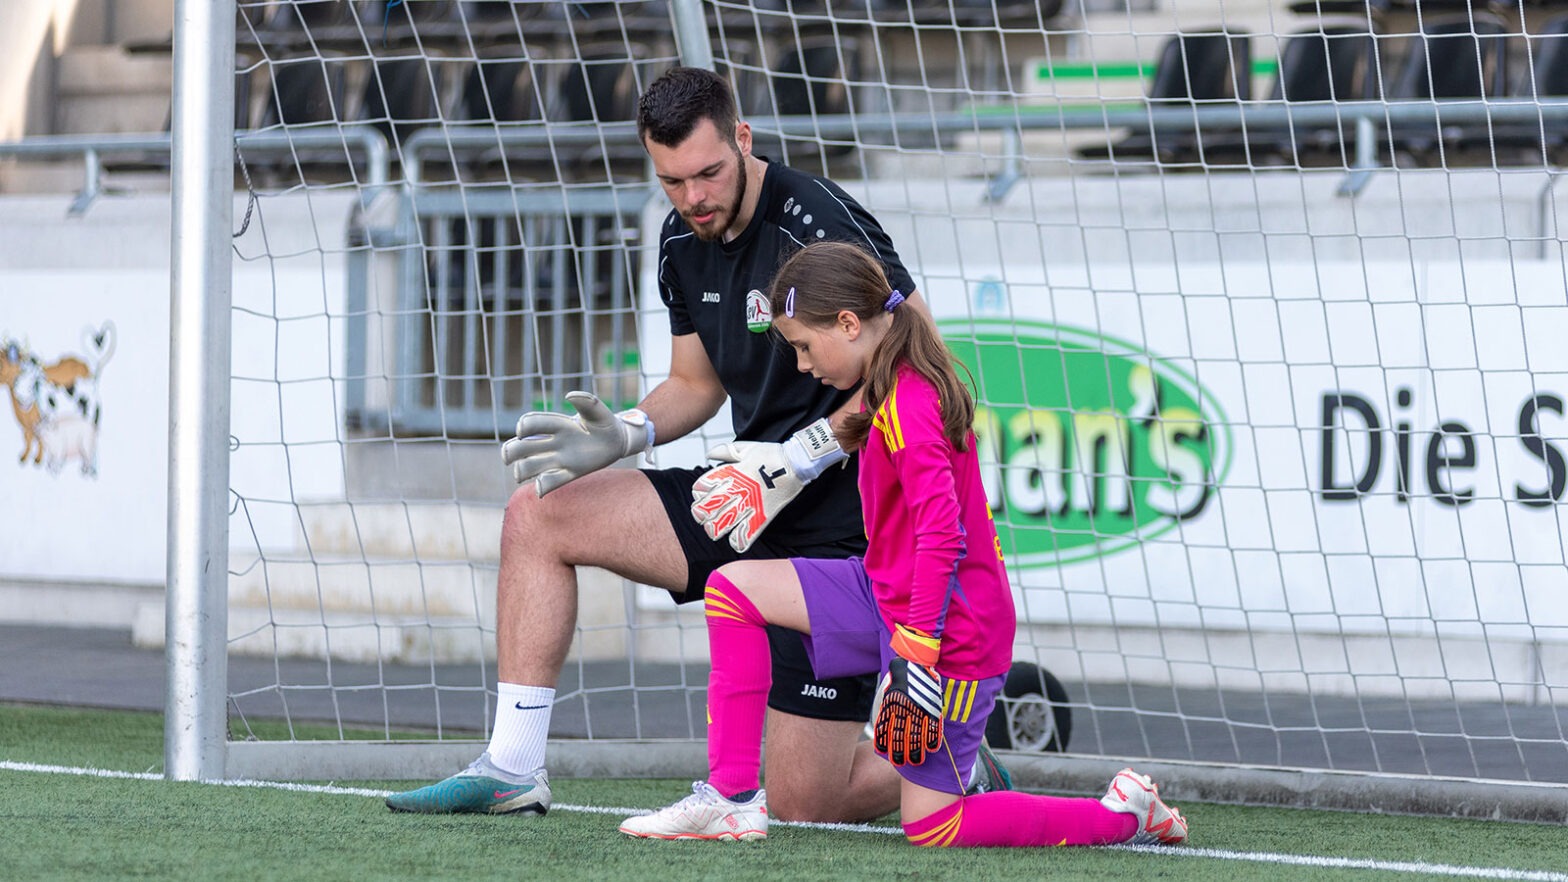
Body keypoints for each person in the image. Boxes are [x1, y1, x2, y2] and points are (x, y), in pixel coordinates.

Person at [385, 67, 1008, 821]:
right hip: (746, 499)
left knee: (810, 804)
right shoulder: (679, 236)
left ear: (743, 140)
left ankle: (956, 758)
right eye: (673, 180)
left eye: (708, 173)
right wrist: (630, 431)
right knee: (538, 514)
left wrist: (807, 452)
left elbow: (918, 360)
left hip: (842, 533)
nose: (694, 197)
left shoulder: (817, 220)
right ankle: (512, 767)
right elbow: (695, 381)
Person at [619, 241, 1191, 847]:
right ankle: (730, 799)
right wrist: (786, 463)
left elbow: (943, 537)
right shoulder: (889, 381)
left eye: (805, 347)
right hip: (885, 591)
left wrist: (915, 654)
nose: (803, 364)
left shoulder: (910, 403)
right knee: (731, 589)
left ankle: (1125, 813)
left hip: (954, 630)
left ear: (848, 324)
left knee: (935, 828)